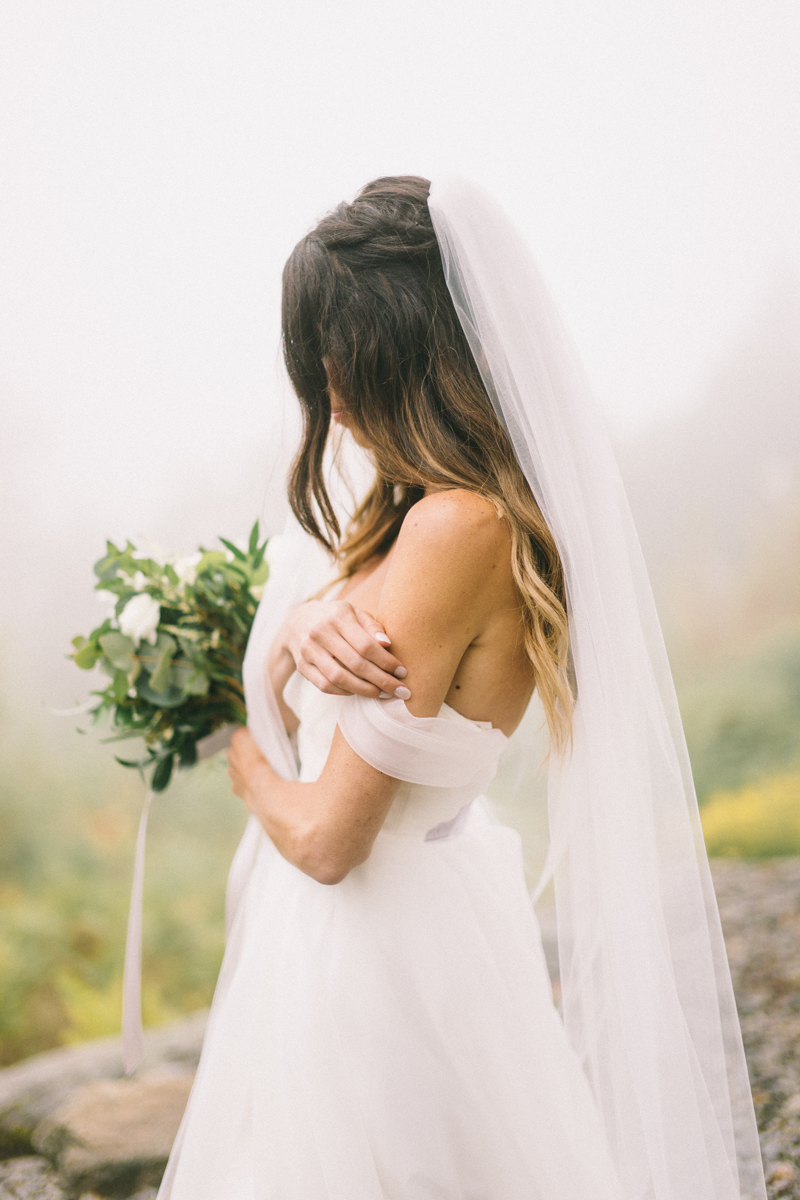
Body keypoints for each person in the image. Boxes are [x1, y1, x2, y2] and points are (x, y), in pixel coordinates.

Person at [157, 177, 766, 1199]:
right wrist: (303, 626)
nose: (327, 396)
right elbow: (342, 635)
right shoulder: (422, 513)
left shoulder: (456, 528)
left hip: (377, 959)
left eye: (335, 360)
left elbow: (324, 840)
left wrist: (240, 753)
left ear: (399, 355)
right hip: (403, 928)